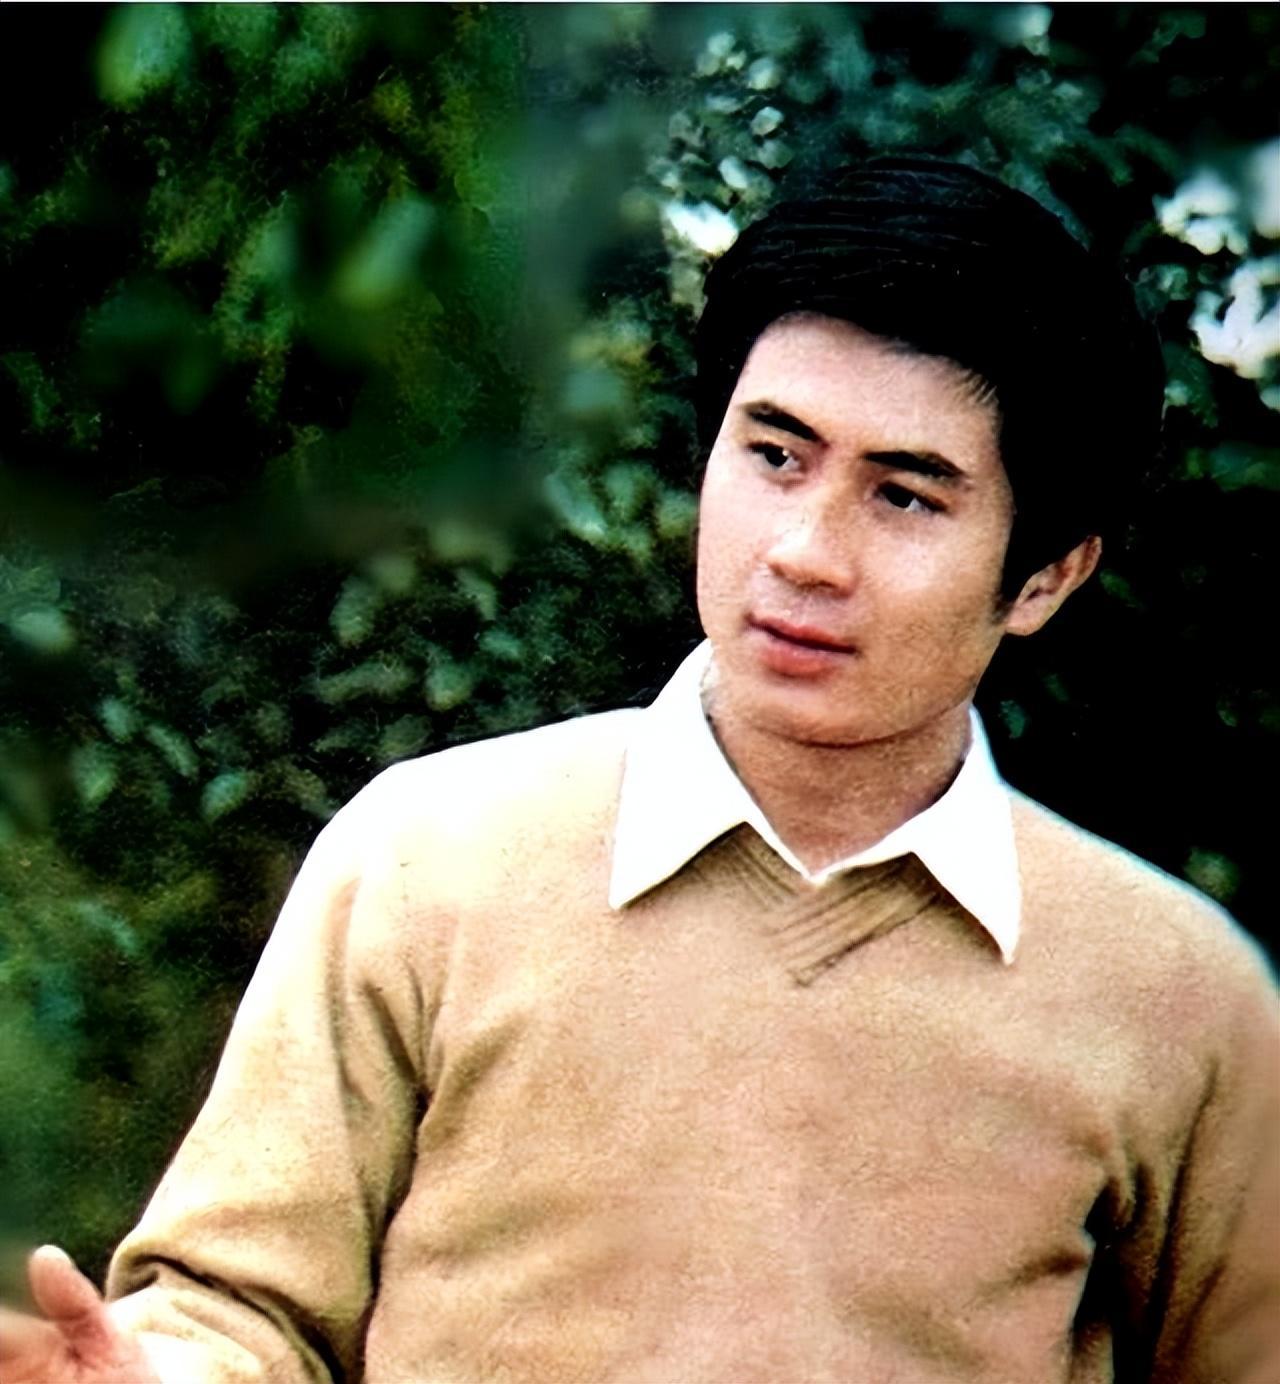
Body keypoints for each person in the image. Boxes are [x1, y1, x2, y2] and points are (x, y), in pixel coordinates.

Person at [2, 158, 1276, 1384]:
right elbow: (244, 1309)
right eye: (774, 455)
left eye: (902, 497)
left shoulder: (1176, 993)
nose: (802, 551)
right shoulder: (427, 858)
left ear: (1045, 574)